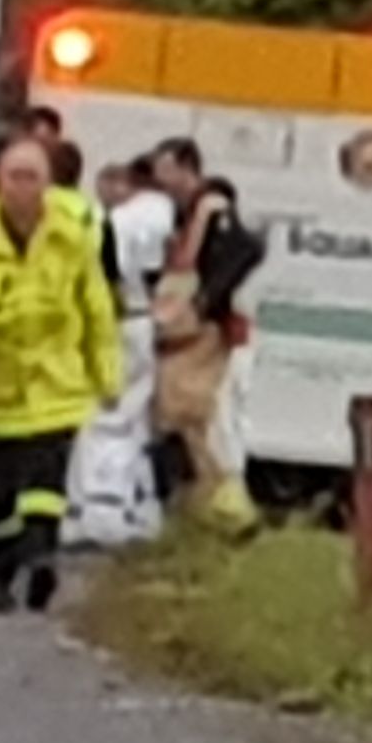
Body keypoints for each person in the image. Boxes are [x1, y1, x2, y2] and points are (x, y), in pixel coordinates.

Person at [0, 136, 123, 613]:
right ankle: (1, 575)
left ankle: (40, 559)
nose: (22, 187)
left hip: (54, 387)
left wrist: (107, 376)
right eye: (13, 177)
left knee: (45, 485)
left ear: (48, 183)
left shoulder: (71, 237)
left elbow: (95, 309)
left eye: (31, 177)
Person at [145, 138, 262, 530]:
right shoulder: (186, 212)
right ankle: (205, 500)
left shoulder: (211, 208)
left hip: (219, 333)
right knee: (188, 417)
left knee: (215, 418)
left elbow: (244, 251)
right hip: (204, 333)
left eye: (165, 169)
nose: (160, 179)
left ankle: (228, 503)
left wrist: (207, 298)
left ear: (185, 168)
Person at [67, 157, 175, 544]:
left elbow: (104, 267)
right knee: (135, 414)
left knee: (105, 413)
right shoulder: (163, 213)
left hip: (115, 317)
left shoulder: (120, 220)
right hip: (142, 316)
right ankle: (139, 507)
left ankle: (100, 508)